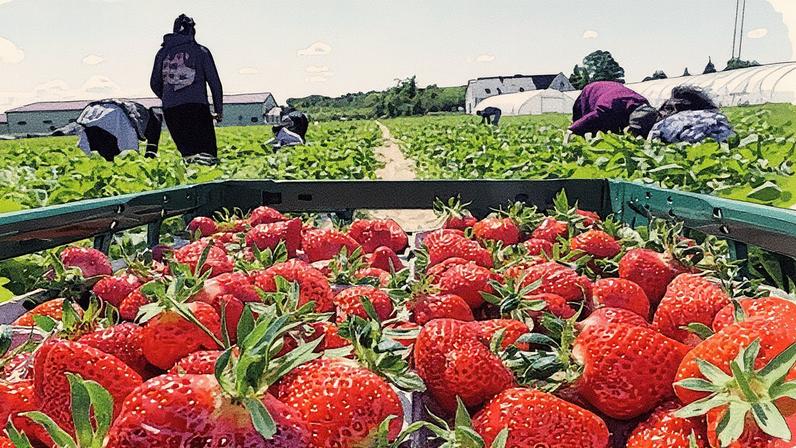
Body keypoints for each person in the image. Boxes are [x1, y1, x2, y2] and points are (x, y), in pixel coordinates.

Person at [150, 14, 222, 162]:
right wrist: (218, 111)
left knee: (188, 156)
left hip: (171, 111)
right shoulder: (200, 51)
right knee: (207, 156)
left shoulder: (162, 53)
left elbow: (154, 83)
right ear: (192, 31)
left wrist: (169, 98)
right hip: (196, 109)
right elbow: (214, 83)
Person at [76, 99, 162, 161]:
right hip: (111, 117)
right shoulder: (125, 118)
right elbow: (129, 143)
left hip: (94, 115)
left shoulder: (142, 114)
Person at [568, 81, 659, 138]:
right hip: (638, 107)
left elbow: (592, 117)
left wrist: (573, 129)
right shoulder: (607, 99)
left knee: (633, 140)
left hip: (633, 110)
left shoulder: (608, 106)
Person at [650, 86, 734, 143]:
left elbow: (651, 146)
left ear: (675, 106)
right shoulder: (717, 117)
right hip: (722, 149)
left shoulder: (665, 123)